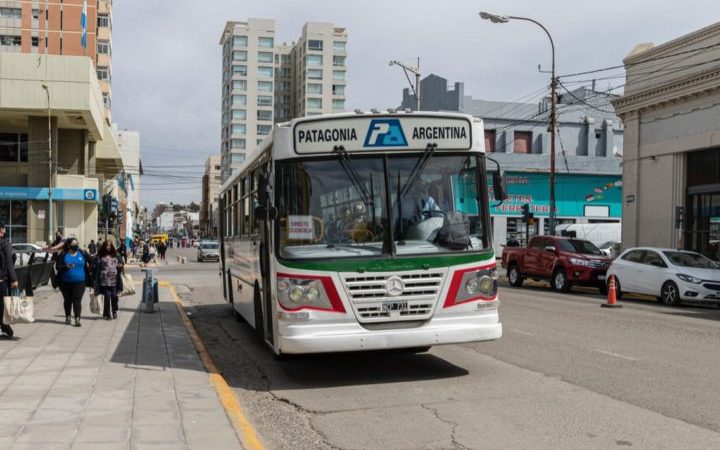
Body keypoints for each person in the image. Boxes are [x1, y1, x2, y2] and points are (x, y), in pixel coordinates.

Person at [55, 238, 90, 327]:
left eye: (77, 244)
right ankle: (68, 316)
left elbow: (91, 261)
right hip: (65, 282)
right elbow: (58, 267)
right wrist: (66, 266)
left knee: (77, 300)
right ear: (68, 245)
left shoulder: (82, 253)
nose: (76, 245)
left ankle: (77, 319)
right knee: (67, 300)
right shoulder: (63, 255)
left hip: (80, 282)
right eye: (74, 244)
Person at [95, 241, 123, 320]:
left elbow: (121, 264)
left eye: (110, 245)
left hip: (114, 280)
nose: (108, 247)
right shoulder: (100, 256)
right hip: (104, 280)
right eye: (107, 245)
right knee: (107, 296)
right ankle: (108, 313)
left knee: (114, 296)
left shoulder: (116, 255)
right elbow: (95, 265)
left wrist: (120, 266)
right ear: (104, 246)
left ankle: (114, 310)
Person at [0, 223, 18, 338]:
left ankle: (5, 328)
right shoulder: (5, 244)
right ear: (2, 230)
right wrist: (14, 279)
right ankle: (4, 327)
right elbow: (9, 262)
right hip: (1, 280)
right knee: (2, 305)